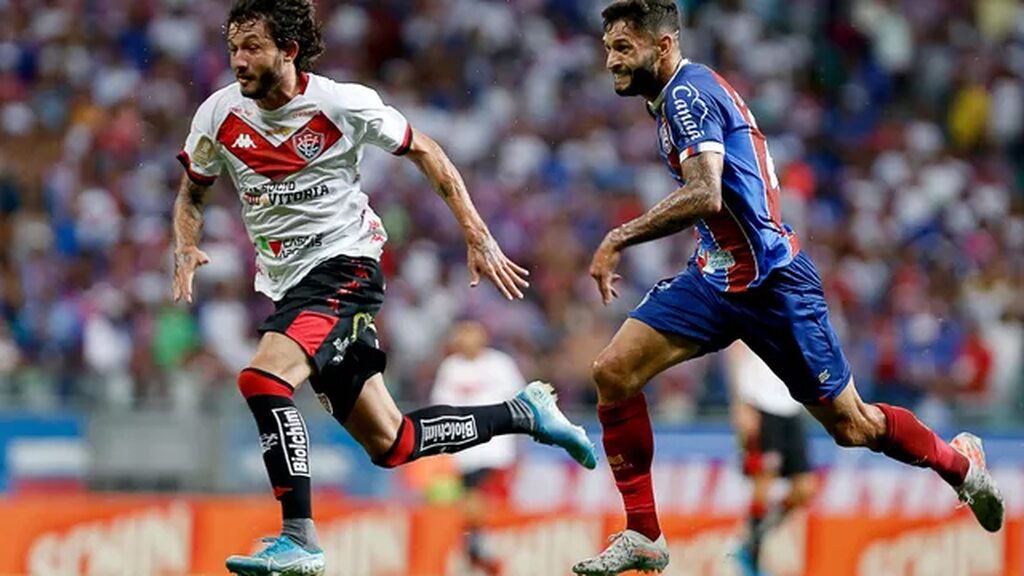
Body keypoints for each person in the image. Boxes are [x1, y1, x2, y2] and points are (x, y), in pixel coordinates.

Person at [573, 1, 1004, 574]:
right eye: (608, 48)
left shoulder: (684, 95)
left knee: (854, 427)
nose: (611, 61)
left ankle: (961, 464)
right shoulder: (676, 96)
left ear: (664, 45)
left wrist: (618, 237)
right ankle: (645, 532)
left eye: (624, 48)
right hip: (716, 276)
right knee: (613, 371)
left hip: (776, 285)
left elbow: (707, 195)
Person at [171, 2, 596, 574]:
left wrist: (477, 234)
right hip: (288, 286)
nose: (237, 59)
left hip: (344, 269)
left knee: (262, 378)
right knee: (391, 444)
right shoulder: (218, 114)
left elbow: (426, 149)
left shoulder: (342, 103)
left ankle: (298, 536)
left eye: (251, 47)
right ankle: (523, 412)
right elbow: (193, 190)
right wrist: (184, 242)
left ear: (288, 51)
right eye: (233, 47)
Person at [430, 319, 527, 576]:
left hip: (496, 451)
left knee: (485, 503)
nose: (466, 339)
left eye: (472, 333)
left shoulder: (500, 364)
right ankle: (477, 550)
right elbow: (440, 408)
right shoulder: (450, 368)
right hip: (464, 454)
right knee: (468, 505)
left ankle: (482, 549)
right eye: (462, 334)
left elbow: (520, 403)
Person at [725, 342, 816, 576]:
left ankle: (752, 536)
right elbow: (736, 349)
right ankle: (751, 558)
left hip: (791, 404)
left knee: (804, 487)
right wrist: (740, 403)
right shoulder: (748, 306)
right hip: (760, 403)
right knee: (763, 482)